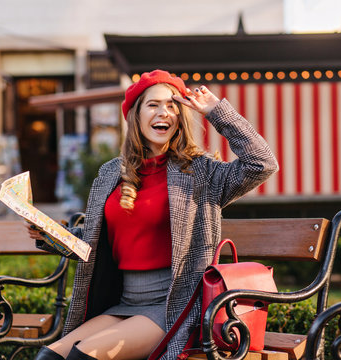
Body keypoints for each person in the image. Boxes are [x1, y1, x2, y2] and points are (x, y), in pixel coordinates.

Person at [28, 69, 278, 360]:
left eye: (172, 105)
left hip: (174, 306)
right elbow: (94, 242)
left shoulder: (202, 172)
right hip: (123, 302)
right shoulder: (111, 172)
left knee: (83, 357)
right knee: (48, 357)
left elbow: (262, 164)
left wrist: (215, 111)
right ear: (135, 114)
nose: (165, 112)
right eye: (153, 104)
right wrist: (51, 235)